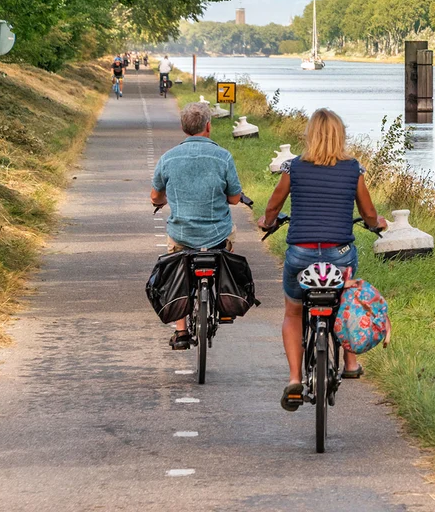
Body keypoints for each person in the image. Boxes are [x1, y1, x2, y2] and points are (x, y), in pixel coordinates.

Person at [258, 109, 387, 412]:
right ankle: (351, 362)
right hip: (338, 254)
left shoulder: (294, 168)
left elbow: (274, 204)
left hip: (301, 254)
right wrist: (376, 223)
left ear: (310, 135)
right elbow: (368, 214)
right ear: (340, 135)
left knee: (293, 313)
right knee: (344, 300)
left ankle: (293, 379)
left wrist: (268, 221)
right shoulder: (353, 169)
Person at [150, 102, 244, 349]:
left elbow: (155, 196)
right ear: (208, 127)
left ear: (183, 128)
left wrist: (163, 200)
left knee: (176, 271)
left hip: (182, 234)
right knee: (229, 244)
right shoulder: (223, 156)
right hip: (217, 235)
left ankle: (181, 331)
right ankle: (224, 305)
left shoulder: (168, 158)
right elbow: (234, 198)